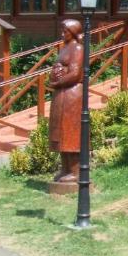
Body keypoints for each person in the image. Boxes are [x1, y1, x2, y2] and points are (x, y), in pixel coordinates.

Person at [48, 19, 85, 183]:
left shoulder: (77, 48)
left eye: (66, 31)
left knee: (70, 131)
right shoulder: (64, 48)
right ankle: (65, 168)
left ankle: (75, 171)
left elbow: (75, 73)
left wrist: (57, 82)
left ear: (74, 32)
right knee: (60, 131)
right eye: (62, 31)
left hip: (71, 94)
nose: (62, 34)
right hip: (61, 92)